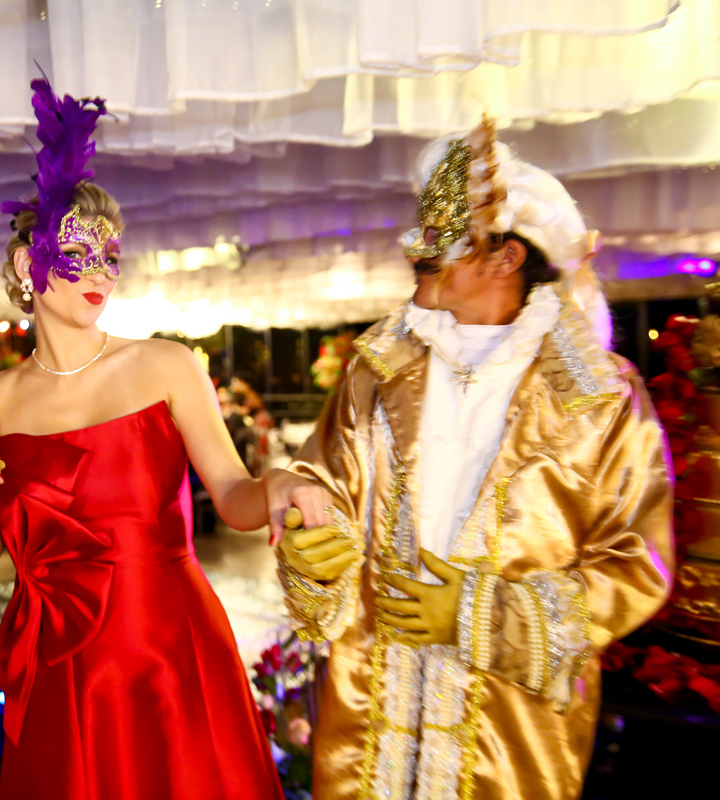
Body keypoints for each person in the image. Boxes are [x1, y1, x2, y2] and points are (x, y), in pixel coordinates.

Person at [277, 118, 675, 800]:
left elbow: (638, 562)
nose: (417, 248)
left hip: (508, 727)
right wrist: (312, 546)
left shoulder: (599, 396)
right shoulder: (377, 369)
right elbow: (323, 487)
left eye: (444, 236)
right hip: (372, 705)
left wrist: (479, 616)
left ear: (505, 258)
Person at [0, 79, 314, 800]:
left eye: (111, 256)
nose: (100, 274)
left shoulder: (166, 365)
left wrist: (281, 483)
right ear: (26, 265)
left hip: (167, 649)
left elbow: (233, 496)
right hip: (55, 664)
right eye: (79, 252)